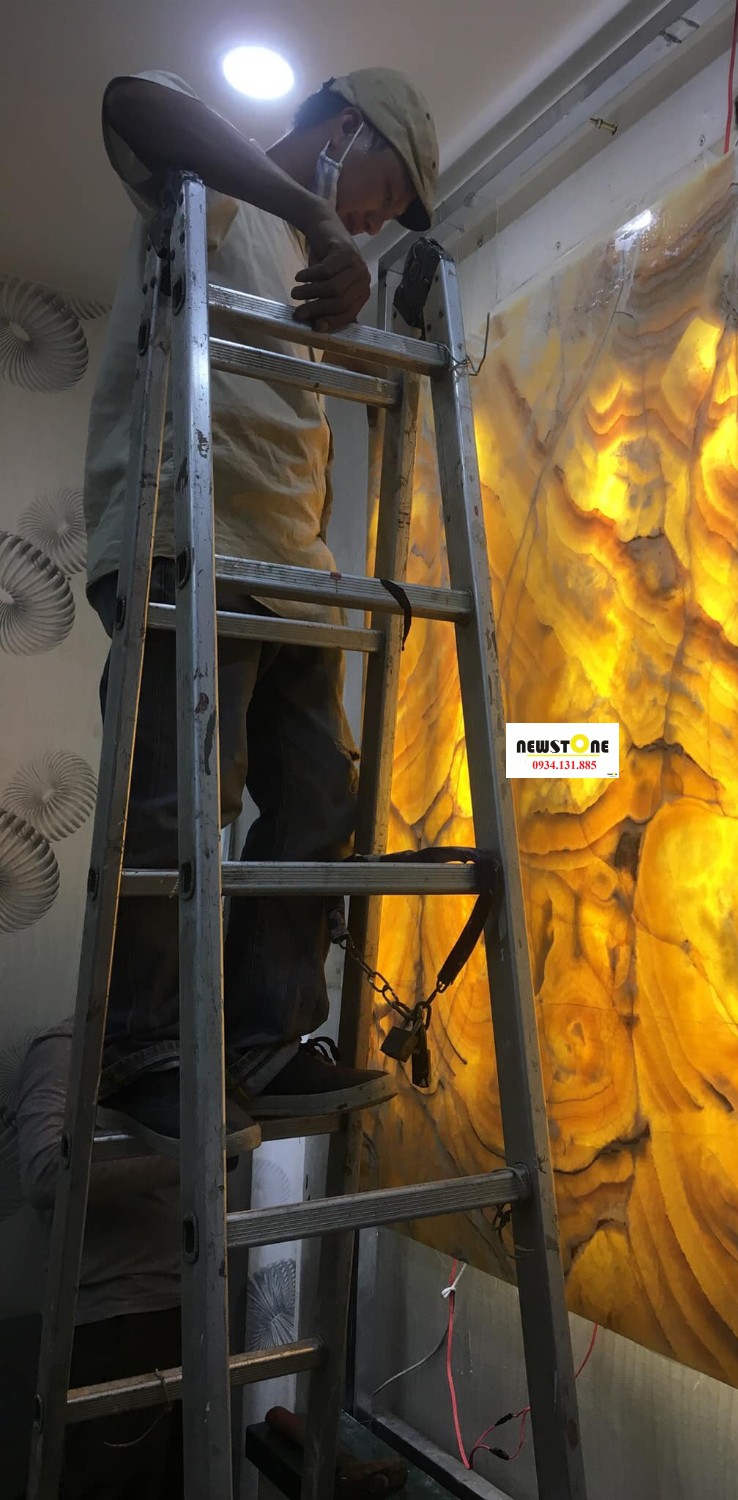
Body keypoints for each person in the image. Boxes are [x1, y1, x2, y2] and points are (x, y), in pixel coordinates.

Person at [83, 67, 440, 1155]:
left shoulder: (314, 271)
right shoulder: (221, 192)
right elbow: (131, 102)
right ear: (346, 129)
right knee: (180, 802)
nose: (377, 220)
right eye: (387, 189)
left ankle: (262, 1045)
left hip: (289, 569)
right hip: (181, 539)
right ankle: (145, 1049)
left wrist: (334, 264)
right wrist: (317, 213)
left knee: (321, 797)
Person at [18, 1023, 184, 1498]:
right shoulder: (65, 1049)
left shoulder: (168, 1050)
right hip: (113, 1318)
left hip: (177, 1306)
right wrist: (191, 1155)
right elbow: (44, 1171)